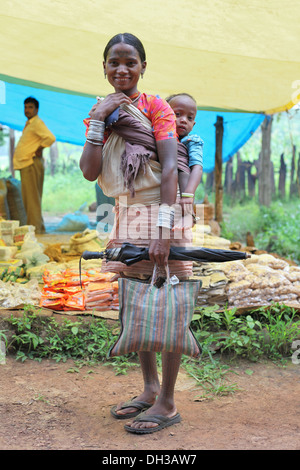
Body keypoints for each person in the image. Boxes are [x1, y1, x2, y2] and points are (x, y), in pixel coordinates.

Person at [80, 33, 194, 434]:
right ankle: (148, 389)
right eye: (114, 62)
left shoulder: (157, 108)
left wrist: (163, 230)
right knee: (136, 302)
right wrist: (98, 119)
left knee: (171, 302)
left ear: (143, 66)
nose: (122, 69)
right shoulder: (102, 110)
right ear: (105, 68)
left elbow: (167, 169)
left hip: (163, 213)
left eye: (130, 61)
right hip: (126, 215)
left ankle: (167, 402)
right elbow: (90, 171)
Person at [13, 97, 55, 233]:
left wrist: (40, 148)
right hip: (27, 164)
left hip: (31, 163)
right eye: (25, 107)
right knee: (30, 199)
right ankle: (38, 229)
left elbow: (50, 137)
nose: (27, 110)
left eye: (30, 107)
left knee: (32, 200)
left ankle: (36, 231)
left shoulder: (36, 123)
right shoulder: (30, 123)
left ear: (36, 109)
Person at [166, 93, 204, 230]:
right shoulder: (158, 137)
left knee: (182, 165)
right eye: (177, 114)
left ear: (193, 124)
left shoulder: (190, 142)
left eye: (189, 118)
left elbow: (197, 168)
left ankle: (188, 215)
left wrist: (188, 195)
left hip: (183, 192)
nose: (183, 120)